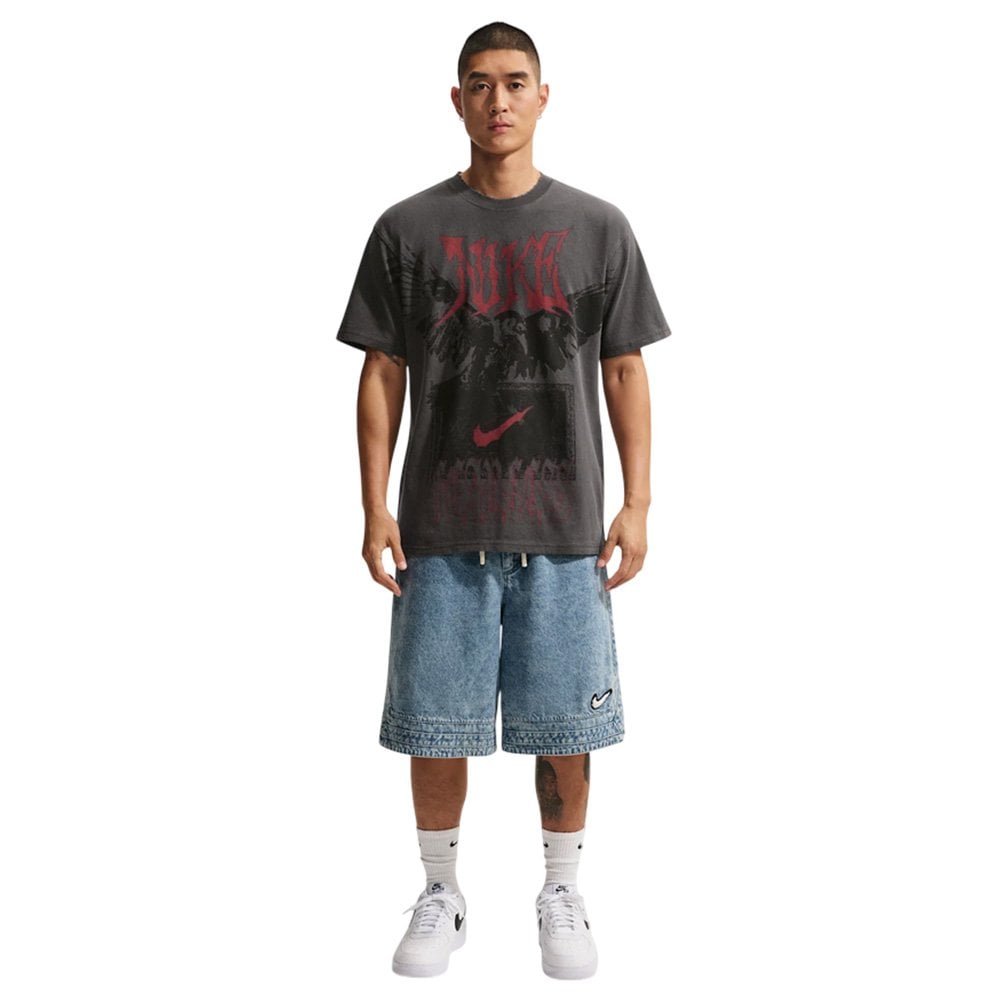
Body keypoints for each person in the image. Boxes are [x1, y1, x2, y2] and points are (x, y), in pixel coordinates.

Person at [336, 22, 670, 979]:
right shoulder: (407, 229)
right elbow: (382, 372)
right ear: (457, 101)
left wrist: (639, 504)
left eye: (516, 82)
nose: (498, 100)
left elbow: (624, 369)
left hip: (563, 529)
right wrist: (374, 506)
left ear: (543, 96)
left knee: (566, 727)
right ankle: (441, 891)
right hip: (441, 527)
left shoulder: (599, 227)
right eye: (480, 84)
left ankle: (562, 888)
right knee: (435, 722)